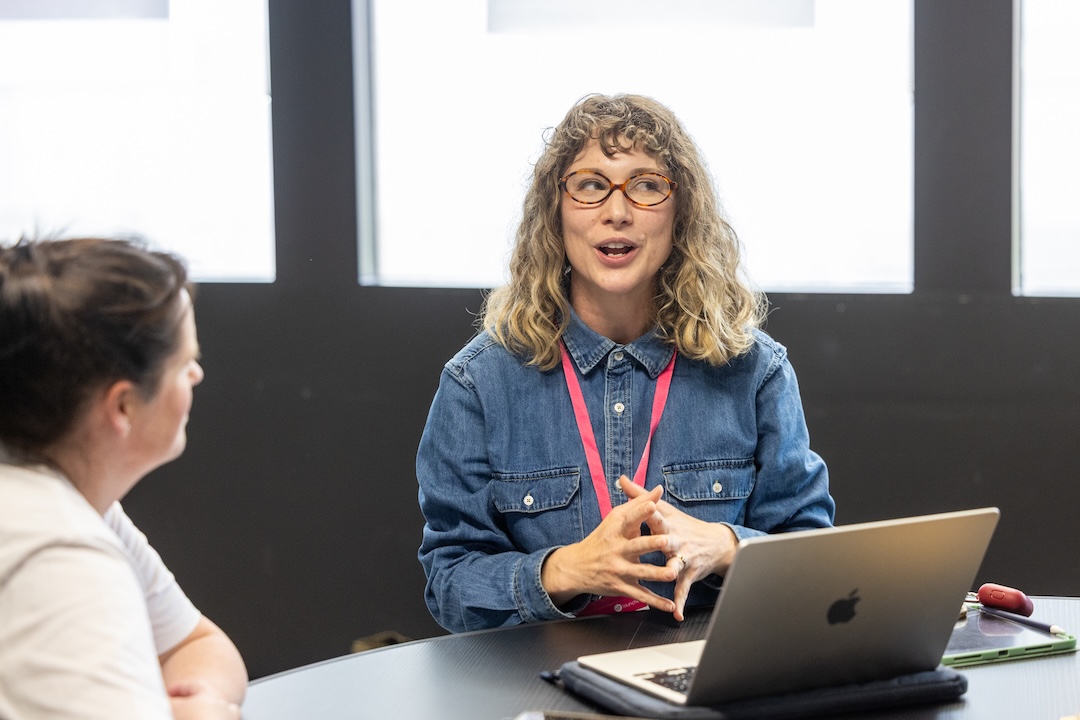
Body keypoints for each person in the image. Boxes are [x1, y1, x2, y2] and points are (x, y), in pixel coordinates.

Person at [416, 93, 836, 634]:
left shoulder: (755, 371)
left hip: (707, 670)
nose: (617, 212)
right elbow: (450, 583)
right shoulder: (477, 383)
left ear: (682, 212)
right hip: (543, 672)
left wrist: (727, 545)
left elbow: (815, 561)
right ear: (555, 212)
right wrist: (564, 570)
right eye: (591, 185)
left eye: (646, 185)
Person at [0, 237, 247, 719]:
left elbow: (197, 643)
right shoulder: (61, 556)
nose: (196, 375)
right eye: (184, 364)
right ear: (124, 406)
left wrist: (199, 700)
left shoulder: (77, 500)